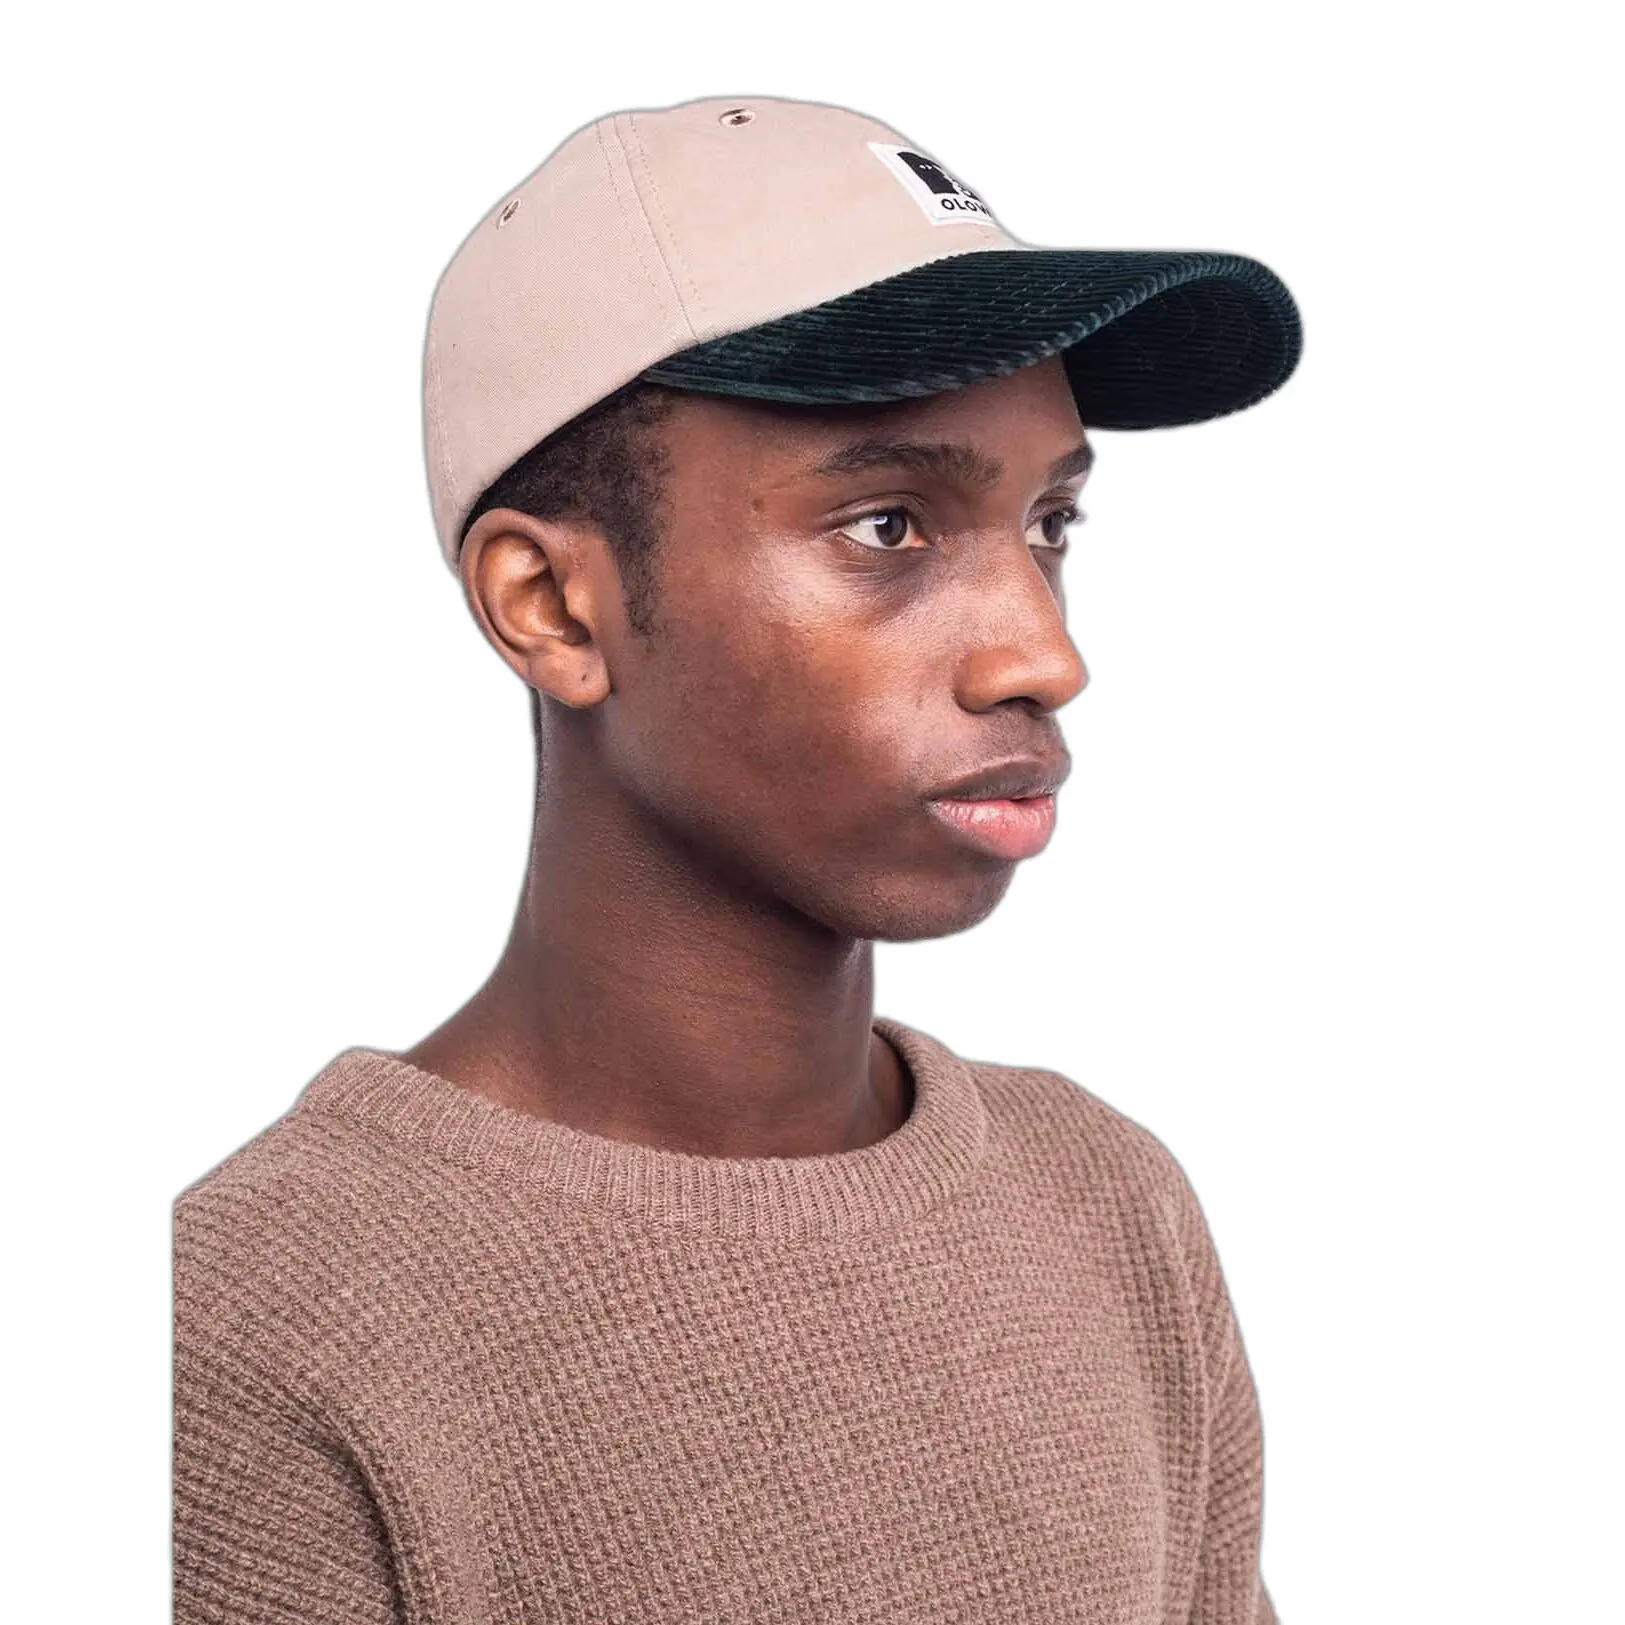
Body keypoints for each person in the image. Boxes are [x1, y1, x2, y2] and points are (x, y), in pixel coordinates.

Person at [172, 94, 1301, 1624]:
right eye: (889, 527)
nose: (1044, 655)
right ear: (551, 607)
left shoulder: (1110, 1205)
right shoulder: (255, 1326)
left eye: (1051, 525)